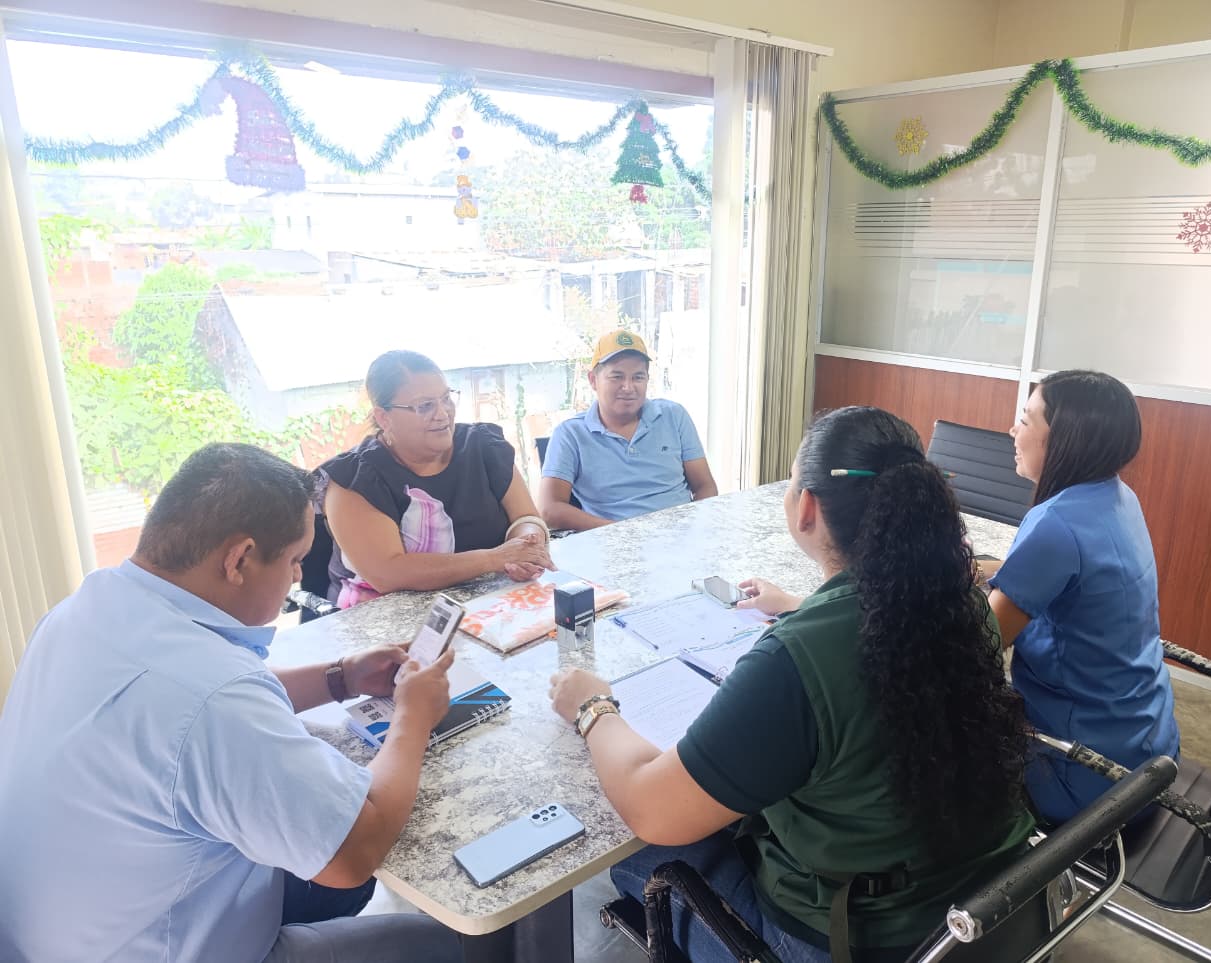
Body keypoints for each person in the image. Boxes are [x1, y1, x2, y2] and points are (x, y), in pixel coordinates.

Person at [548, 407, 1034, 963]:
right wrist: (800, 608)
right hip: (988, 908)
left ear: (806, 507)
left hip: (855, 939)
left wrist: (592, 706)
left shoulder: (793, 662)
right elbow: (875, 639)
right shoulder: (963, 602)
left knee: (635, 853)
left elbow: (650, 808)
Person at [0, 444, 463, 963]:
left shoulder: (86, 609)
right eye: (294, 561)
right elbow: (355, 849)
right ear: (239, 559)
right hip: (162, 947)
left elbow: (190, 709)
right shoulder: (213, 699)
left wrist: (340, 677)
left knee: (326, 879)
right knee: (442, 943)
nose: (297, 577)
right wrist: (413, 717)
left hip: (63, 931)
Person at [988, 369, 1180, 825]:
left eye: (1026, 419)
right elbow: (1075, 577)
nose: (1013, 430)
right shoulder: (1119, 497)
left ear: (1065, 439)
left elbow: (978, 640)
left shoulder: (1054, 523)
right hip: (1147, 751)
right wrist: (995, 572)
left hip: (1086, 775)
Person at [319, 350, 553, 608]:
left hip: (491, 603)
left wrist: (526, 547)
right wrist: (495, 558)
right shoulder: (354, 479)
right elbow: (389, 573)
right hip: (384, 616)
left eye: (446, 399)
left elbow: (526, 517)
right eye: (425, 406)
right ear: (383, 417)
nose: (443, 413)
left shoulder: (482, 446)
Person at [537, 329, 718, 531]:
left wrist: (697, 527)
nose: (628, 387)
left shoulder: (674, 416)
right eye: (617, 377)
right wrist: (621, 533)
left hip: (680, 535)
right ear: (593, 380)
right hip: (611, 541)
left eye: (638, 377)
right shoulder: (570, 434)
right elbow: (549, 510)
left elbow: (704, 486)